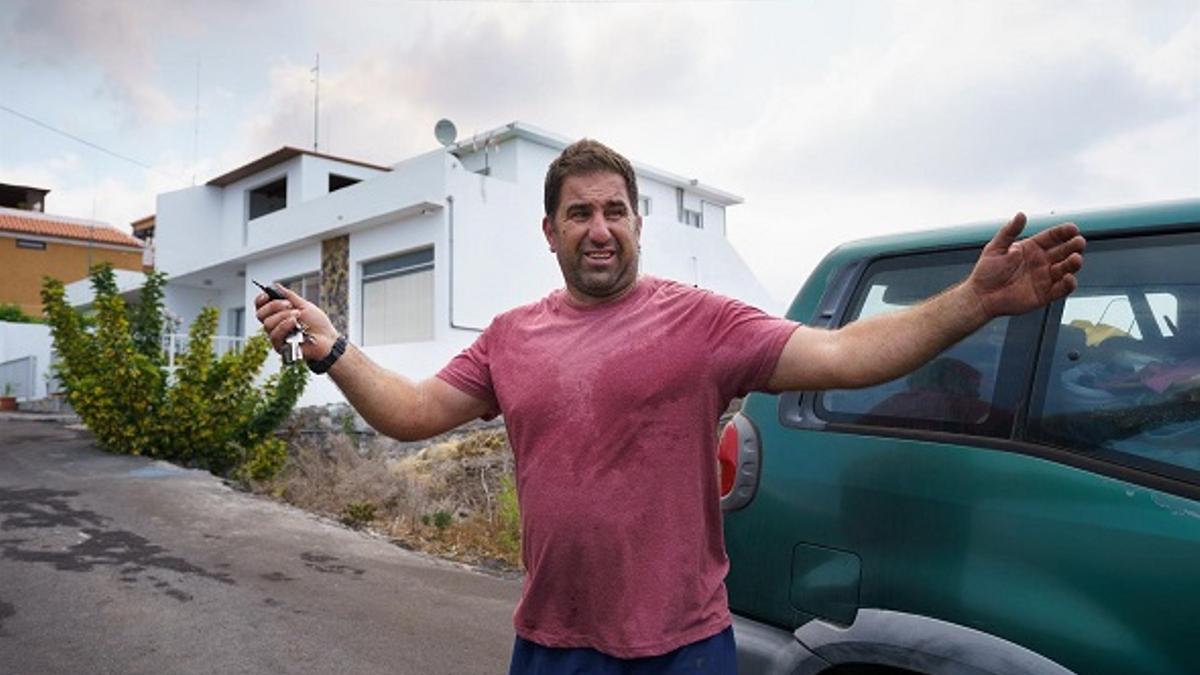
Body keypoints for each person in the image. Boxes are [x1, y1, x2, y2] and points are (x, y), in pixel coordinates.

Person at [255, 139, 1086, 674]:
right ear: (550, 231)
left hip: (683, 648)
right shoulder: (510, 338)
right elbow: (410, 411)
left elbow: (844, 353)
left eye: (614, 209)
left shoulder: (702, 321)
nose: (599, 227)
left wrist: (972, 304)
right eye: (578, 212)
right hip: (552, 644)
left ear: (638, 221)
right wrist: (332, 346)